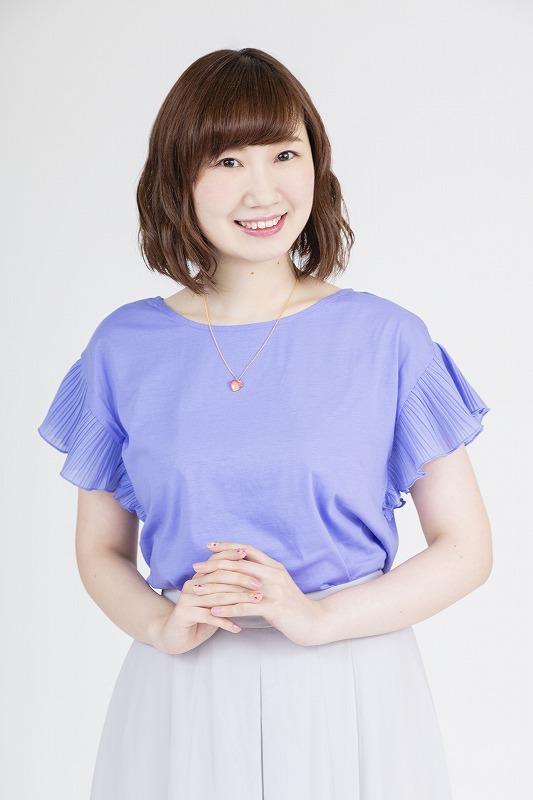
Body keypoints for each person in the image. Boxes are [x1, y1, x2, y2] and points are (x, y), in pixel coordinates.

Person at [38, 47, 493, 799]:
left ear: (317, 163)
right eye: (227, 160)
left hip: (350, 681)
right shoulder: (123, 347)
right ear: (177, 179)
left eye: (284, 153)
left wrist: (316, 618)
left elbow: (466, 549)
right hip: (182, 692)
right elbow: (99, 550)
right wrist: (160, 626)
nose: (263, 189)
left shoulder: (386, 338)